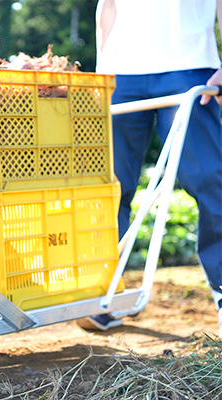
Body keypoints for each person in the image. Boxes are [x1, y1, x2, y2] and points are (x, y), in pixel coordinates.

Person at [79, 0, 222, 333]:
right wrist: (103, 72)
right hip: (120, 74)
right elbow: (109, 5)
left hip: (190, 64)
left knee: (209, 178)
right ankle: (101, 294)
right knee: (110, 185)